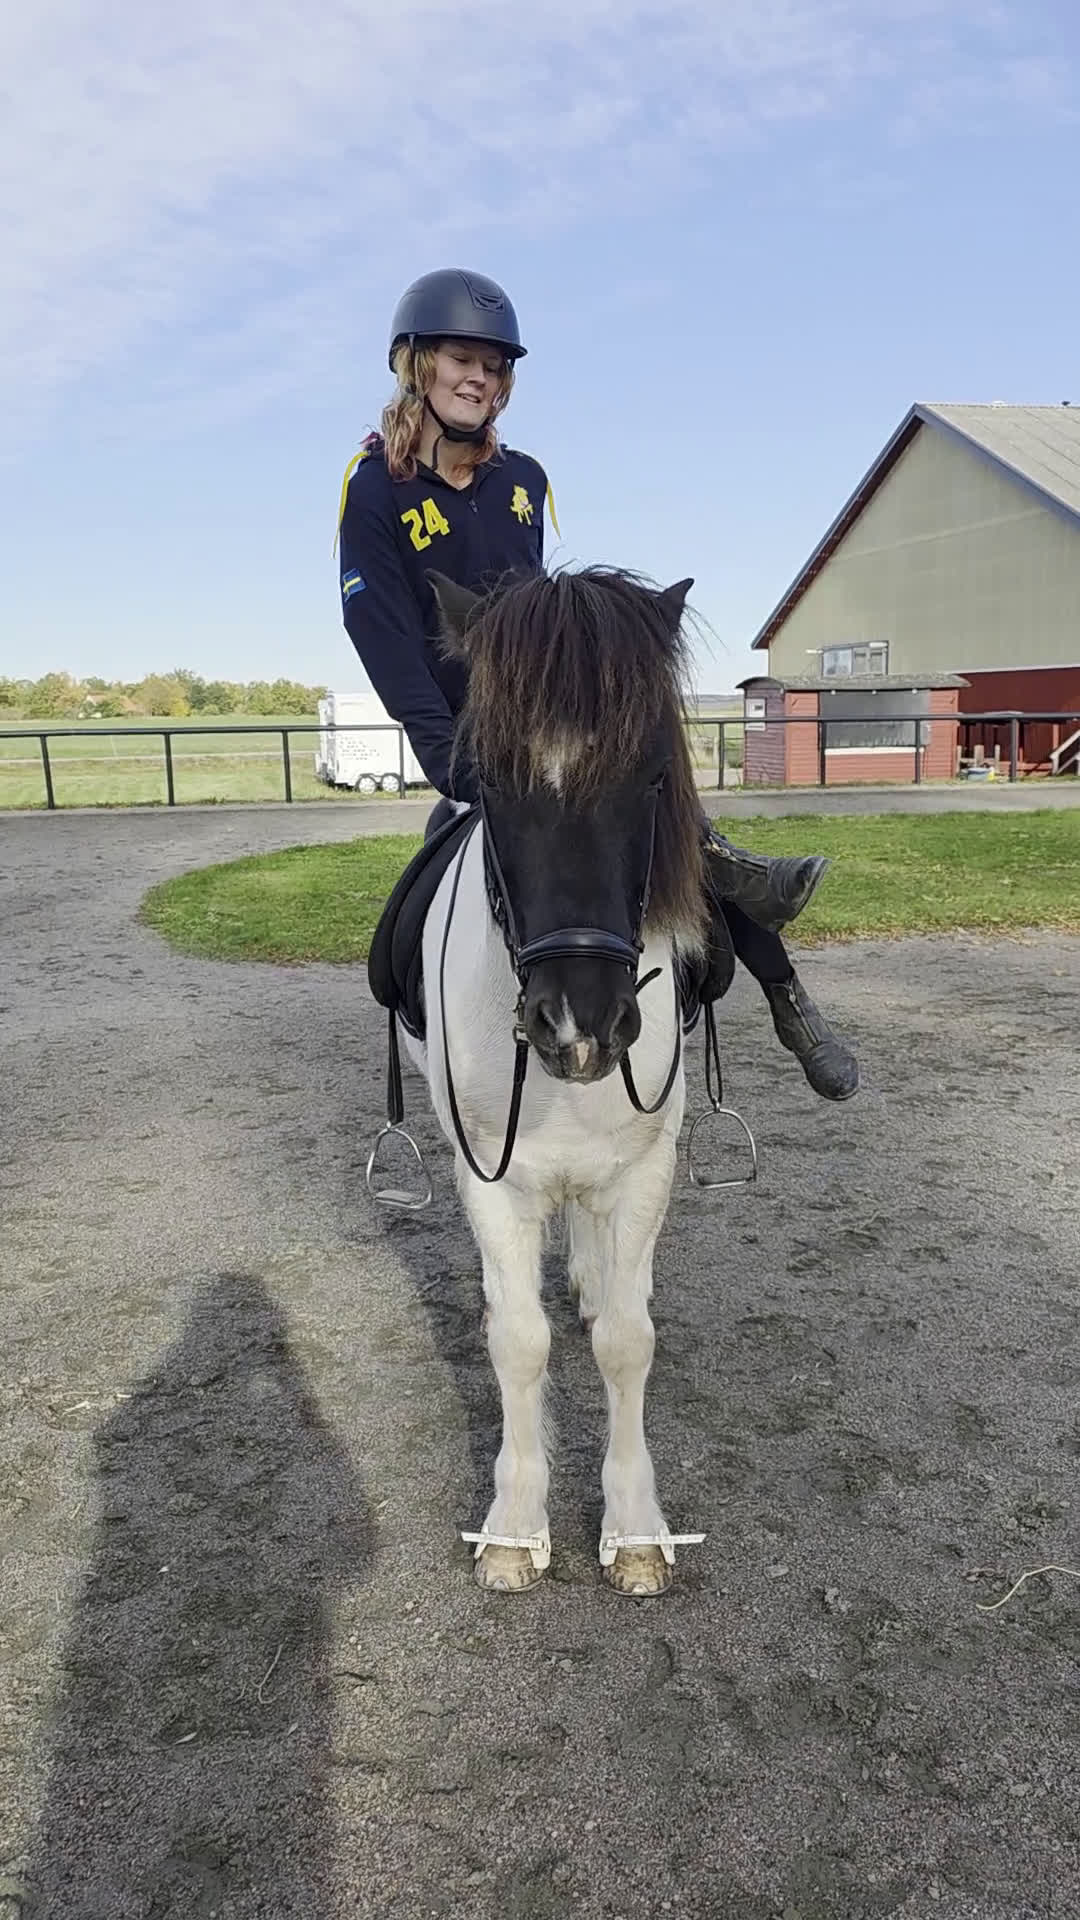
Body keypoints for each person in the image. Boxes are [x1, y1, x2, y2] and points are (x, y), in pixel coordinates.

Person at [336, 269, 858, 1101]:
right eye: (461, 359)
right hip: (474, 732)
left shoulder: (525, 480)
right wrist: (445, 754)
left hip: (549, 714)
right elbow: (381, 631)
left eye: (494, 365)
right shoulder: (373, 490)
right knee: (428, 895)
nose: (479, 378)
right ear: (416, 366)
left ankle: (785, 991)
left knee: (653, 817)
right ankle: (420, 1011)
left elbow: (543, 616)